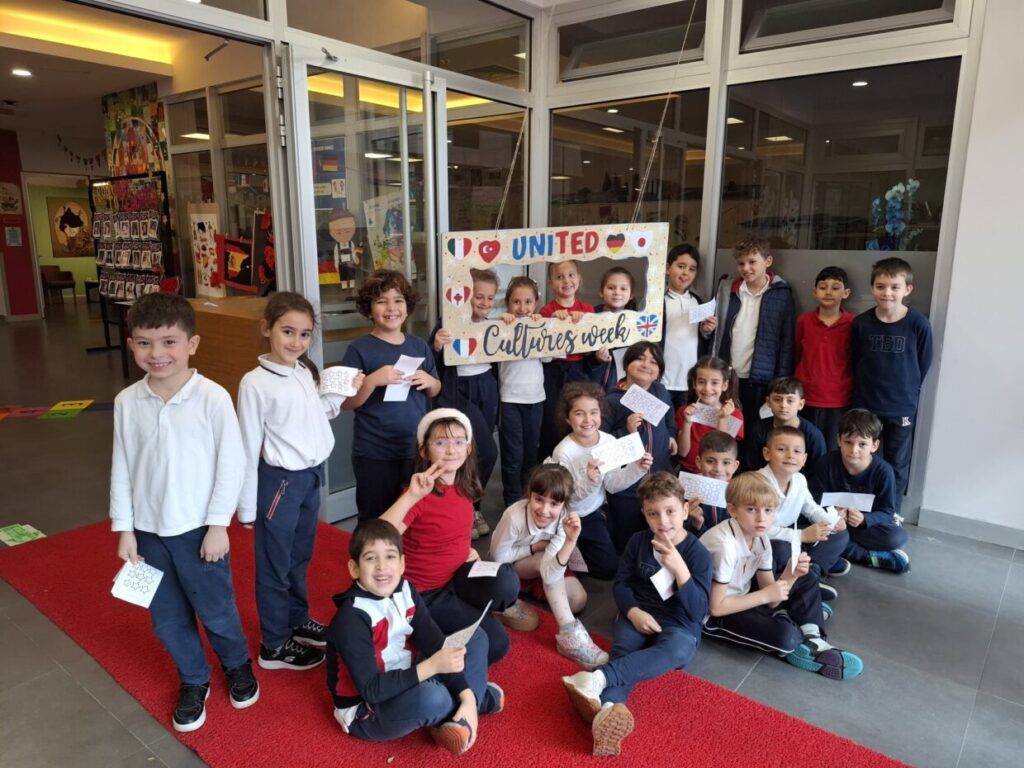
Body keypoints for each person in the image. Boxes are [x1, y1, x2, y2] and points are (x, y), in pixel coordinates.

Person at [109, 293, 258, 732]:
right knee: (167, 618)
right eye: (144, 343)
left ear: (192, 343)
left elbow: (231, 464)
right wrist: (125, 529)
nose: (157, 353)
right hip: (148, 534)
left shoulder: (212, 397)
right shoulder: (127, 401)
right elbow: (122, 465)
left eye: (169, 342)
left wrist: (218, 525)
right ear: (131, 344)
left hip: (199, 532)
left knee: (216, 610)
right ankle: (194, 678)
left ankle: (236, 664)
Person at [237, 292, 363, 671]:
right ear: (267, 329)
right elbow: (247, 444)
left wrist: (340, 391)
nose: (296, 341)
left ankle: (296, 618)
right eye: (287, 331)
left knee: (299, 555)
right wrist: (246, 506)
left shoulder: (303, 370)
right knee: (275, 562)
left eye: (305, 334)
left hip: (310, 477)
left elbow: (317, 415)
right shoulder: (254, 383)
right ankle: (274, 644)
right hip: (280, 482)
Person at [561, 472, 713, 757]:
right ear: (644, 514)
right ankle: (608, 713)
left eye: (670, 511)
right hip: (640, 611)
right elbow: (621, 584)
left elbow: (698, 611)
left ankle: (597, 679)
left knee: (679, 651)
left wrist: (681, 570)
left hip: (679, 623)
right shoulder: (638, 541)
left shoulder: (699, 554)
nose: (663, 521)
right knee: (624, 649)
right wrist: (632, 612)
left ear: (685, 510)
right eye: (653, 513)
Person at [326, 519, 504, 755]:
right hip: (367, 710)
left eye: (390, 556)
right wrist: (433, 668)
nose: (381, 566)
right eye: (370, 558)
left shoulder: (406, 589)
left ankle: (468, 706)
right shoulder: (351, 618)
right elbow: (371, 690)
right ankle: (461, 709)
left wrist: (467, 696)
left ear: (402, 563)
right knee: (435, 697)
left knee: (477, 637)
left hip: (408, 673)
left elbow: (434, 643)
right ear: (354, 568)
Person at [381, 410, 521, 665]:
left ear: (468, 449)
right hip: (424, 593)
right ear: (424, 451)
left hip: (457, 575)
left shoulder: (465, 485)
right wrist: (411, 496)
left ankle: (459, 616)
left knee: (507, 581)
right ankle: (424, 633)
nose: (451, 450)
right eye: (440, 442)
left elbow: (452, 529)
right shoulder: (418, 493)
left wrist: (467, 550)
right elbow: (379, 538)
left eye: (458, 441)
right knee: (496, 644)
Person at [700, 473, 863, 681]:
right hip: (714, 615)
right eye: (751, 509)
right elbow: (716, 608)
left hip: (742, 596)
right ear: (732, 510)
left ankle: (813, 637)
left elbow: (772, 599)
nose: (761, 518)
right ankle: (798, 620)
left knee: (806, 577)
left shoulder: (760, 538)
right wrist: (766, 595)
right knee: (787, 637)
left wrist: (790, 576)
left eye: (768, 510)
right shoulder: (724, 545)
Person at [342, 270, 441, 520]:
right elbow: (346, 402)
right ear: (369, 309)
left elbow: (436, 389)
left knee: (412, 514)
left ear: (407, 307)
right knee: (375, 517)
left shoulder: (419, 345)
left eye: (398, 300)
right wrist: (372, 381)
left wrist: (430, 381)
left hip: (415, 448)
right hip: (374, 451)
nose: (391, 308)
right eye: (381, 301)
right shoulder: (358, 349)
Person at [488, 464, 607, 668]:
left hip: (543, 567)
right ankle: (569, 634)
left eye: (554, 503)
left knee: (577, 600)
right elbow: (497, 558)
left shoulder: (564, 520)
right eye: (539, 499)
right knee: (544, 562)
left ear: (564, 504)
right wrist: (534, 547)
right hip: (508, 569)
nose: (544, 510)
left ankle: (527, 593)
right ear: (529, 494)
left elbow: (551, 572)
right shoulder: (514, 516)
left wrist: (570, 541)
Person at [851, 257, 933, 511]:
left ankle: (891, 511)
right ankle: (861, 509)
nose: (887, 293)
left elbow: (923, 363)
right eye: (881, 286)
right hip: (866, 405)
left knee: (897, 462)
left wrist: (905, 391)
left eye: (894, 287)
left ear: (907, 289)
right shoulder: (861, 323)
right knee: (862, 457)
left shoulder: (918, 324)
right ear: (872, 288)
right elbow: (855, 360)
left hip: (901, 407)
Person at [550, 382, 653, 580]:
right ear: (568, 418)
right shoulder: (563, 452)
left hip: (593, 512)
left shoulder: (608, 441)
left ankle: (576, 550)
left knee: (608, 570)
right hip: (568, 515)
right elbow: (566, 499)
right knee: (565, 564)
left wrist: (637, 468)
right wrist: (589, 480)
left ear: (601, 414)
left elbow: (613, 485)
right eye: (579, 413)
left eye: (594, 412)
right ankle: (566, 550)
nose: (588, 420)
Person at [431, 268, 500, 539]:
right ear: (464, 296)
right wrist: (437, 346)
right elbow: (431, 364)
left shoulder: (493, 325)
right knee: (486, 451)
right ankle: (465, 504)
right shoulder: (447, 323)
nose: (484, 303)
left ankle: (473, 508)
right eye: (478, 297)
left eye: (490, 298)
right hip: (458, 391)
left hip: (486, 387)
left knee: (476, 451)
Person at [810, 409, 911, 574]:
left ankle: (836, 550)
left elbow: (886, 511)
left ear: (874, 446)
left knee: (896, 537)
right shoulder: (826, 463)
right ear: (839, 440)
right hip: (832, 523)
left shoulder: (884, 471)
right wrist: (832, 513)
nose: (854, 450)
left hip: (861, 528)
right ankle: (867, 557)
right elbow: (813, 499)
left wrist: (865, 519)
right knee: (807, 526)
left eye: (862, 444)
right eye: (848, 442)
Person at [756, 427, 850, 597]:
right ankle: (809, 578)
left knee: (840, 535)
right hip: (766, 539)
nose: (790, 455)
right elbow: (757, 529)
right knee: (781, 550)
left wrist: (830, 521)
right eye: (781, 449)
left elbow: (810, 507)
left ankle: (813, 571)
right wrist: (801, 536)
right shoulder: (757, 483)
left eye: (797, 451)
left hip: (792, 536)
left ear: (804, 458)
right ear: (767, 453)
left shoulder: (799, 479)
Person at [602, 342, 677, 551]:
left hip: (660, 475)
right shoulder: (611, 400)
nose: (646, 365)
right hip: (628, 486)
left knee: (659, 530)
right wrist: (626, 431)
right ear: (626, 364)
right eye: (640, 358)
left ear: (659, 371)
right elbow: (602, 442)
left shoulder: (660, 391)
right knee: (627, 537)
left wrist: (671, 434)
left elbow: (669, 416)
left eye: (653, 362)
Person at [716, 237, 796, 430]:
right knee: (729, 427)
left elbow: (787, 341)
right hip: (729, 376)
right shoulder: (728, 290)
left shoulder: (781, 293)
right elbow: (717, 333)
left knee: (755, 429)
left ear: (767, 261)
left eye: (752, 262)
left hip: (761, 379)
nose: (746, 268)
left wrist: (781, 381)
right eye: (741, 263)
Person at [497, 276, 548, 507]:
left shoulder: (539, 325)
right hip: (510, 400)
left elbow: (548, 358)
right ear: (508, 303)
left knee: (530, 453)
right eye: (516, 302)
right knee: (512, 454)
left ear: (535, 303)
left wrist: (540, 329)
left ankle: (529, 498)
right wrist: (502, 323)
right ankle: (510, 501)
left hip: (535, 399)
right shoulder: (501, 326)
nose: (522, 308)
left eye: (528, 302)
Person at [539, 260, 594, 458]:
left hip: (579, 368)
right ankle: (551, 461)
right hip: (553, 369)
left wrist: (581, 322)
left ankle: (579, 459)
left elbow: (591, 348)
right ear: (551, 283)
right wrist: (553, 322)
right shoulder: (546, 312)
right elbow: (541, 347)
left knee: (579, 411)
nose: (566, 281)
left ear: (579, 278)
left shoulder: (587, 309)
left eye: (571, 275)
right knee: (552, 418)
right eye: (559, 277)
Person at [795, 266, 854, 448]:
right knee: (803, 446)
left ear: (846, 293)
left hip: (838, 399)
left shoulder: (853, 323)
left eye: (835, 288)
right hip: (805, 397)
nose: (828, 292)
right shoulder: (804, 320)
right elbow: (796, 353)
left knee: (831, 448)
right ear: (815, 292)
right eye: (822, 287)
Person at [661, 244, 715, 411]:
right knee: (663, 421)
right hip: (662, 378)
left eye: (692, 269)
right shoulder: (657, 301)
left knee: (687, 419)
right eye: (681, 266)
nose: (686, 273)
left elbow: (702, 337)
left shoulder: (698, 302)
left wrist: (706, 330)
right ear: (668, 268)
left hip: (689, 379)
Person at [743, 376, 827, 474]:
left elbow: (819, 472)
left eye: (790, 401)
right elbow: (751, 468)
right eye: (777, 399)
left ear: (801, 404)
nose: (783, 405)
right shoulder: (759, 430)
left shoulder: (814, 436)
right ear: (768, 402)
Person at [675, 356, 743, 474]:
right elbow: (683, 452)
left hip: (717, 475)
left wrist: (723, 419)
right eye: (701, 382)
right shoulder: (684, 412)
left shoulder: (734, 414)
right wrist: (687, 422)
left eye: (714, 383)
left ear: (724, 385)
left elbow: (722, 451)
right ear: (694, 383)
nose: (707, 388)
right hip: (689, 472)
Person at [586, 266, 637, 393]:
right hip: (591, 384)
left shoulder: (636, 322)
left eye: (623, 288)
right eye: (611, 288)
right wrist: (597, 359)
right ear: (601, 292)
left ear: (631, 294)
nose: (617, 292)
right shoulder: (589, 317)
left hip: (621, 387)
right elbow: (582, 357)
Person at [683, 431, 740, 536]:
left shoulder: (740, 492)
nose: (718, 469)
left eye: (726, 462)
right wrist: (696, 525)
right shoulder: (687, 491)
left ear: (735, 466)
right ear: (699, 462)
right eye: (710, 461)